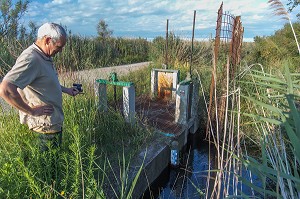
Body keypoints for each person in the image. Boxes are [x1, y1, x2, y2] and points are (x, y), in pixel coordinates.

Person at [0, 22, 80, 151]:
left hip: (52, 123)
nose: (60, 51)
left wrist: (67, 90)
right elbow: (6, 89)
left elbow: (45, 83)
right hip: (44, 127)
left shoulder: (43, 56)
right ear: (48, 40)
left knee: (53, 163)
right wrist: (31, 111)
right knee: (49, 167)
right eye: (59, 46)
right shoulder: (31, 58)